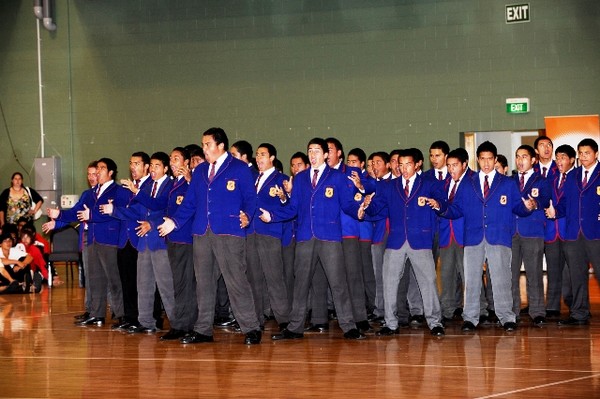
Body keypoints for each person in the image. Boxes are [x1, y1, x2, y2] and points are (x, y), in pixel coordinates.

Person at [158, 127, 262, 345]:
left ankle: (251, 327)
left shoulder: (240, 168)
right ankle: (203, 329)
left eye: (208, 144)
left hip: (229, 232)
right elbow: (190, 203)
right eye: (203, 144)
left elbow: (251, 199)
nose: (204, 149)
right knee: (203, 283)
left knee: (237, 281)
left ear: (221, 145)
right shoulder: (200, 171)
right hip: (202, 233)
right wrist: (174, 222)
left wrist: (248, 216)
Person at [263, 137, 365, 341]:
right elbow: (293, 208)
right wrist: (272, 216)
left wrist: (359, 211)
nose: (313, 154)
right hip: (305, 237)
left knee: (338, 283)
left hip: (329, 238)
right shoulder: (300, 179)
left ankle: (349, 326)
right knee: (301, 283)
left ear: (326, 155)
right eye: (310, 150)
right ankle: (295, 327)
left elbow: (347, 204)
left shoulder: (337, 177)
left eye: (317, 150)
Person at [441, 141, 537, 332]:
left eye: (489, 159)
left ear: (495, 160)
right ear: (477, 160)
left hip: (499, 237)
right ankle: (470, 317)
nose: (486, 163)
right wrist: (440, 207)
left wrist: (527, 208)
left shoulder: (508, 183)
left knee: (502, 279)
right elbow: (457, 209)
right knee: (472, 280)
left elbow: (518, 207)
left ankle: (507, 317)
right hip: (473, 238)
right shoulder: (467, 183)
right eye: (482, 159)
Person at [365, 148, 447, 337]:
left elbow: (443, 202)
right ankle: (390, 323)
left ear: (418, 164)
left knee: (428, 281)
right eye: (400, 164)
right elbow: (378, 209)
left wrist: (437, 204)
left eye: (408, 164)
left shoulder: (429, 183)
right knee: (389, 282)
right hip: (396, 241)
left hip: (420, 240)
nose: (403, 168)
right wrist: (368, 205)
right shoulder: (389, 186)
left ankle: (435, 322)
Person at [47, 158, 129, 327]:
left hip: (110, 240)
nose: (98, 172)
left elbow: (118, 213)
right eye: (96, 169)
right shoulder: (91, 193)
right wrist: (59, 215)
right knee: (95, 279)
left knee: (114, 279)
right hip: (91, 239)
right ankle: (97, 314)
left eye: (101, 168)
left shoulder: (119, 191)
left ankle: (122, 315)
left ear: (111, 172)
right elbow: (77, 212)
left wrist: (91, 216)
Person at [102, 152, 176, 335]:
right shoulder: (149, 186)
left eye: (156, 165)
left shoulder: (170, 186)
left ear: (165, 168)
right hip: (144, 241)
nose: (152, 169)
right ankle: (145, 321)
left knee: (165, 286)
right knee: (144, 284)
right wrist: (117, 210)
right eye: (151, 165)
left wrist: (149, 221)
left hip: (160, 240)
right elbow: (139, 211)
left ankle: (177, 324)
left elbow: (161, 207)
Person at [547, 138, 600, 326]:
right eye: (581, 153)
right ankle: (579, 314)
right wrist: (555, 212)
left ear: (596, 154)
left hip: (595, 233)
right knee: (577, 275)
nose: (584, 156)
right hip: (573, 234)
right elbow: (565, 203)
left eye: (587, 153)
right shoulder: (573, 175)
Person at [245, 143, 290, 330]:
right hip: (251, 232)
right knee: (254, 278)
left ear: (272, 158)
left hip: (269, 233)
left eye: (262, 154)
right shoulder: (253, 178)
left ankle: (284, 320)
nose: (258, 158)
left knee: (274, 278)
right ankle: (257, 319)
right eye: (257, 155)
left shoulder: (282, 179)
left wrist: (283, 197)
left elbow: (289, 206)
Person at [511, 145, 551, 327]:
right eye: (518, 157)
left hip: (533, 232)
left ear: (533, 160)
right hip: (511, 233)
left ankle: (537, 312)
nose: (520, 161)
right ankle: (512, 311)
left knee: (534, 274)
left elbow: (545, 199)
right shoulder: (509, 180)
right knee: (510, 274)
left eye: (524, 157)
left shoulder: (541, 180)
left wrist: (534, 203)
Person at [544, 144, 576, 319]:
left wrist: (556, 211)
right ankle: (552, 306)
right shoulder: (552, 177)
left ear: (572, 160)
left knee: (572, 271)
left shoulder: (576, 178)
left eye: (563, 157)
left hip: (569, 231)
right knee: (553, 269)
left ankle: (574, 305)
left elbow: (569, 202)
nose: (559, 161)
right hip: (551, 231)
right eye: (557, 158)